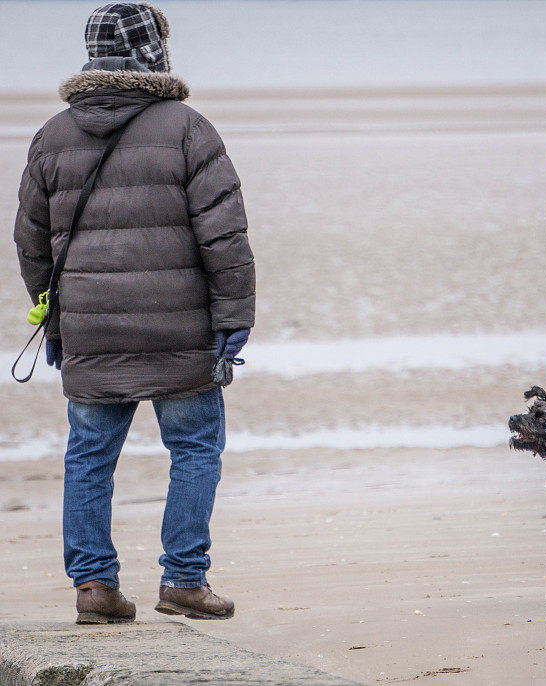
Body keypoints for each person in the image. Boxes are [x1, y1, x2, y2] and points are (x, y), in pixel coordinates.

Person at [13, 2, 255, 623]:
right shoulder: (188, 127)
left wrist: (54, 322)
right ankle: (184, 581)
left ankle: (94, 587)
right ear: (153, 51)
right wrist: (234, 320)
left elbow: (32, 244)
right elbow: (223, 236)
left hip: (92, 326)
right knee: (196, 447)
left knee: (89, 454)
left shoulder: (52, 135)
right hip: (181, 328)